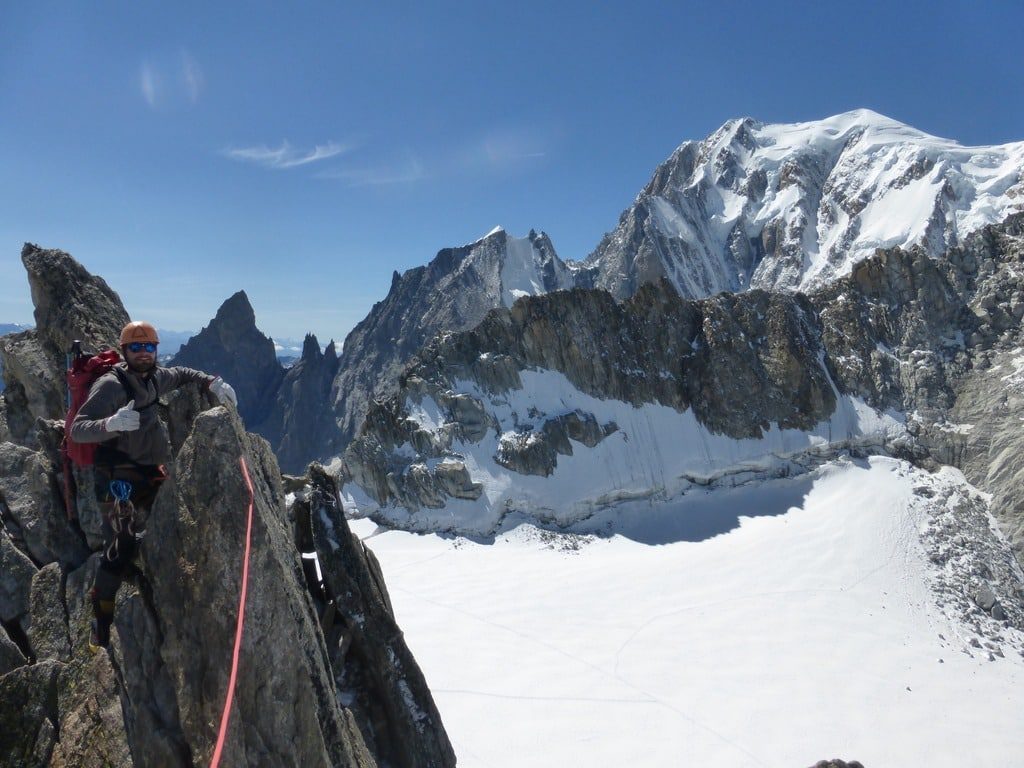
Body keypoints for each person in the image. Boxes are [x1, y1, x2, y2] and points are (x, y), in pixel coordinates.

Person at [70, 320, 238, 649]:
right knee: (120, 548)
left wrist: (211, 383)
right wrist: (110, 423)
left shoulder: (156, 378)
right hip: (118, 477)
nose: (144, 353)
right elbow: (78, 429)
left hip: (150, 470)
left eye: (149, 347)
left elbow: (184, 374)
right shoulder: (110, 386)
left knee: (181, 517)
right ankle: (100, 620)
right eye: (136, 347)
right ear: (125, 351)